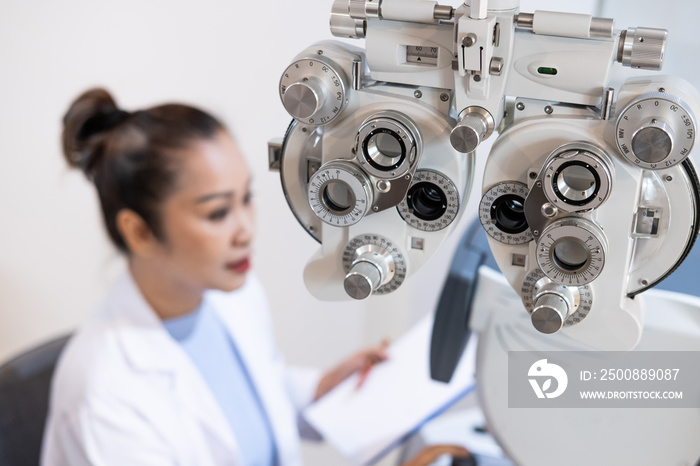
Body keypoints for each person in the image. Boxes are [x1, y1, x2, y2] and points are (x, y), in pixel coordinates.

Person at [41, 89, 472, 466]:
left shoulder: (228, 294)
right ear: (139, 231)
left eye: (246, 198)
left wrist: (321, 390)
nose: (246, 229)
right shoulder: (103, 396)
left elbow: (248, 394)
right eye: (217, 212)